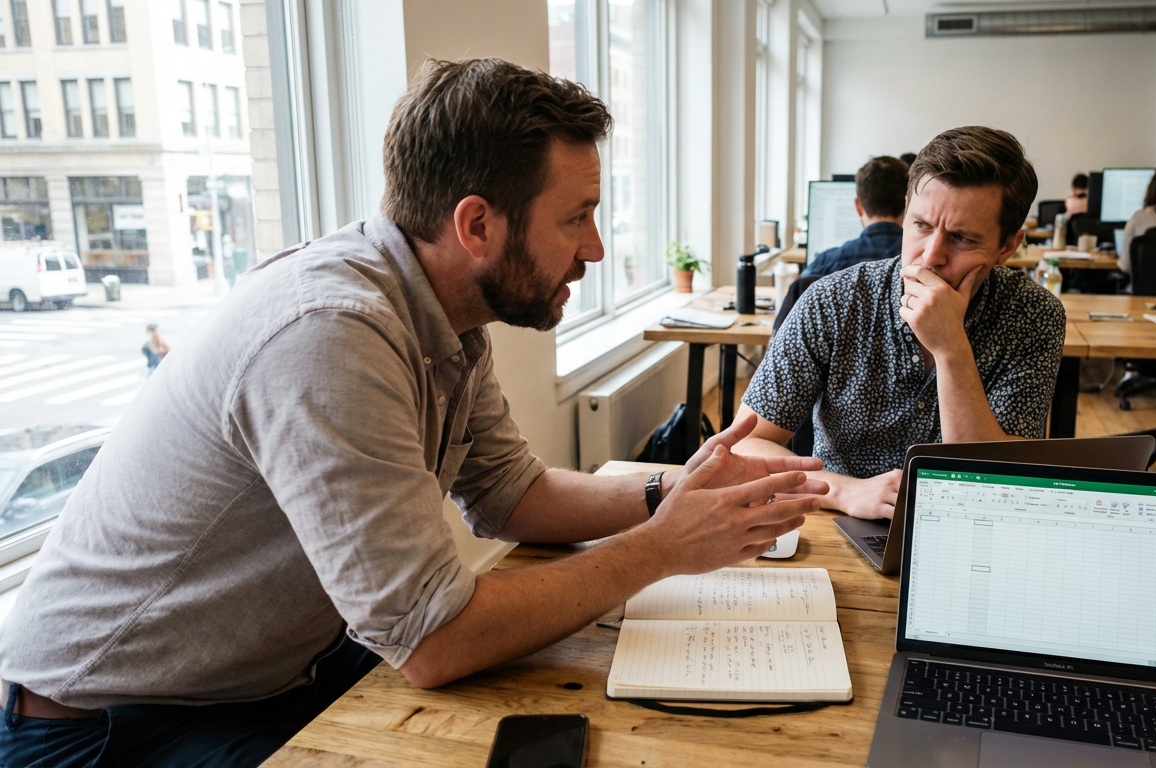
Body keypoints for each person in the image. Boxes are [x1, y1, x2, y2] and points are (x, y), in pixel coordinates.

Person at [0, 58, 826, 767]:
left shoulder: (438, 311)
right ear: (476, 224)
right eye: (577, 217)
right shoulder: (330, 334)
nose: (596, 249)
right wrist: (660, 549)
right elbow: (435, 642)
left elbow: (511, 494)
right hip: (107, 726)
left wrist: (675, 490)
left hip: (263, 678)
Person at [734, 126, 1066, 521]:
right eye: (921, 226)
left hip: (967, 528)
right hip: (838, 521)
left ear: (1007, 246)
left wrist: (950, 348)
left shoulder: (1034, 316)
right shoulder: (834, 300)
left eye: (961, 238)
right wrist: (844, 491)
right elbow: (745, 445)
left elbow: (999, 482)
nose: (930, 256)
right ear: (905, 211)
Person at [802, 156, 908, 278]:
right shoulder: (921, 261)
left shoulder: (823, 264)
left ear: (858, 206)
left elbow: (798, 291)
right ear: (907, 205)